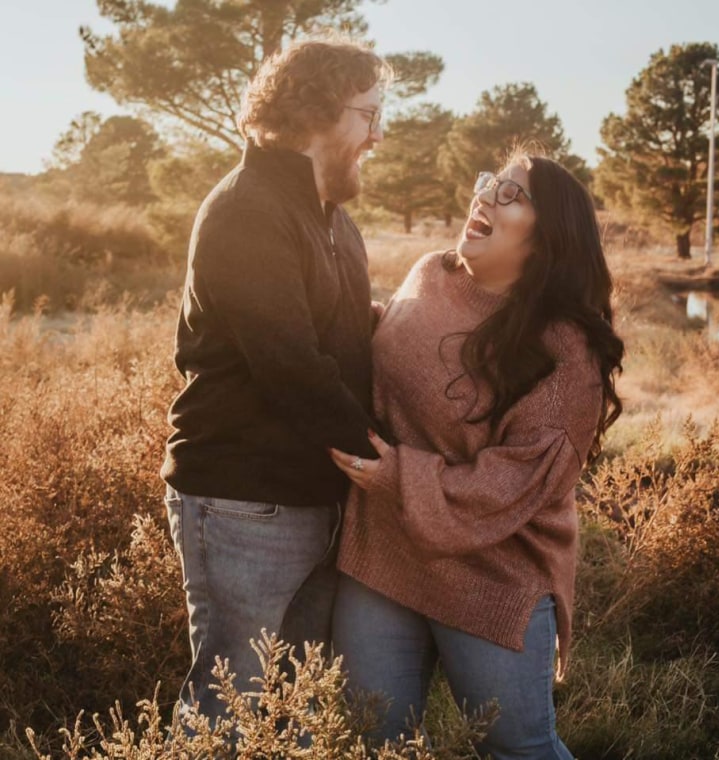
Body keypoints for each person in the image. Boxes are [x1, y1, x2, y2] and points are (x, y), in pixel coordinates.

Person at [329, 151, 624, 760]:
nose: (484, 197)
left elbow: (516, 481)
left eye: (511, 194)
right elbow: (397, 349)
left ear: (546, 240)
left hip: (494, 578)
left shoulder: (566, 353)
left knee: (516, 747)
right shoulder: (429, 274)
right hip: (383, 552)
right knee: (374, 739)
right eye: (488, 183)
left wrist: (398, 479)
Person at [160, 38, 392, 725]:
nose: (378, 134)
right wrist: (393, 465)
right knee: (229, 710)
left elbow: (349, 345)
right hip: (241, 505)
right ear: (317, 112)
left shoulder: (336, 221)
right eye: (368, 115)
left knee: (292, 715)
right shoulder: (246, 210)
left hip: (319, 499)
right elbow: (294, 368)